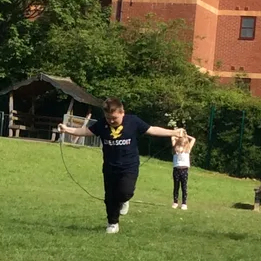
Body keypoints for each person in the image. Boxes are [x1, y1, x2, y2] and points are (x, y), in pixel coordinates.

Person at [58, 97, 185, 234]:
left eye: (114, 118)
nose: (111, 121)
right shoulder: (101, 125)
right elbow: (85, 132)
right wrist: (66, 129)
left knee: (125, 192)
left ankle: (124, 200)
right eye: (108, 118)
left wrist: (173, 132)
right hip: (109, 166)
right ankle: (112, 223)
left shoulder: (133, 121)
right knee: (110, 197)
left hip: (129, 166)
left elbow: (152, 130)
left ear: (122, 112)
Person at [171, 132, 196, 210]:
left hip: (184, 170)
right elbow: (172, 137)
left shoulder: (187, 149)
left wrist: (185, 136)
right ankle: (175, 202)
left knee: (184, 187)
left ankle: (184, 203)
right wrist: (179, 136)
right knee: (176, 186)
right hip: (176, 170)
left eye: (183, 143)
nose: (181, 145)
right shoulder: (175, 149)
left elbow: (193, 139)